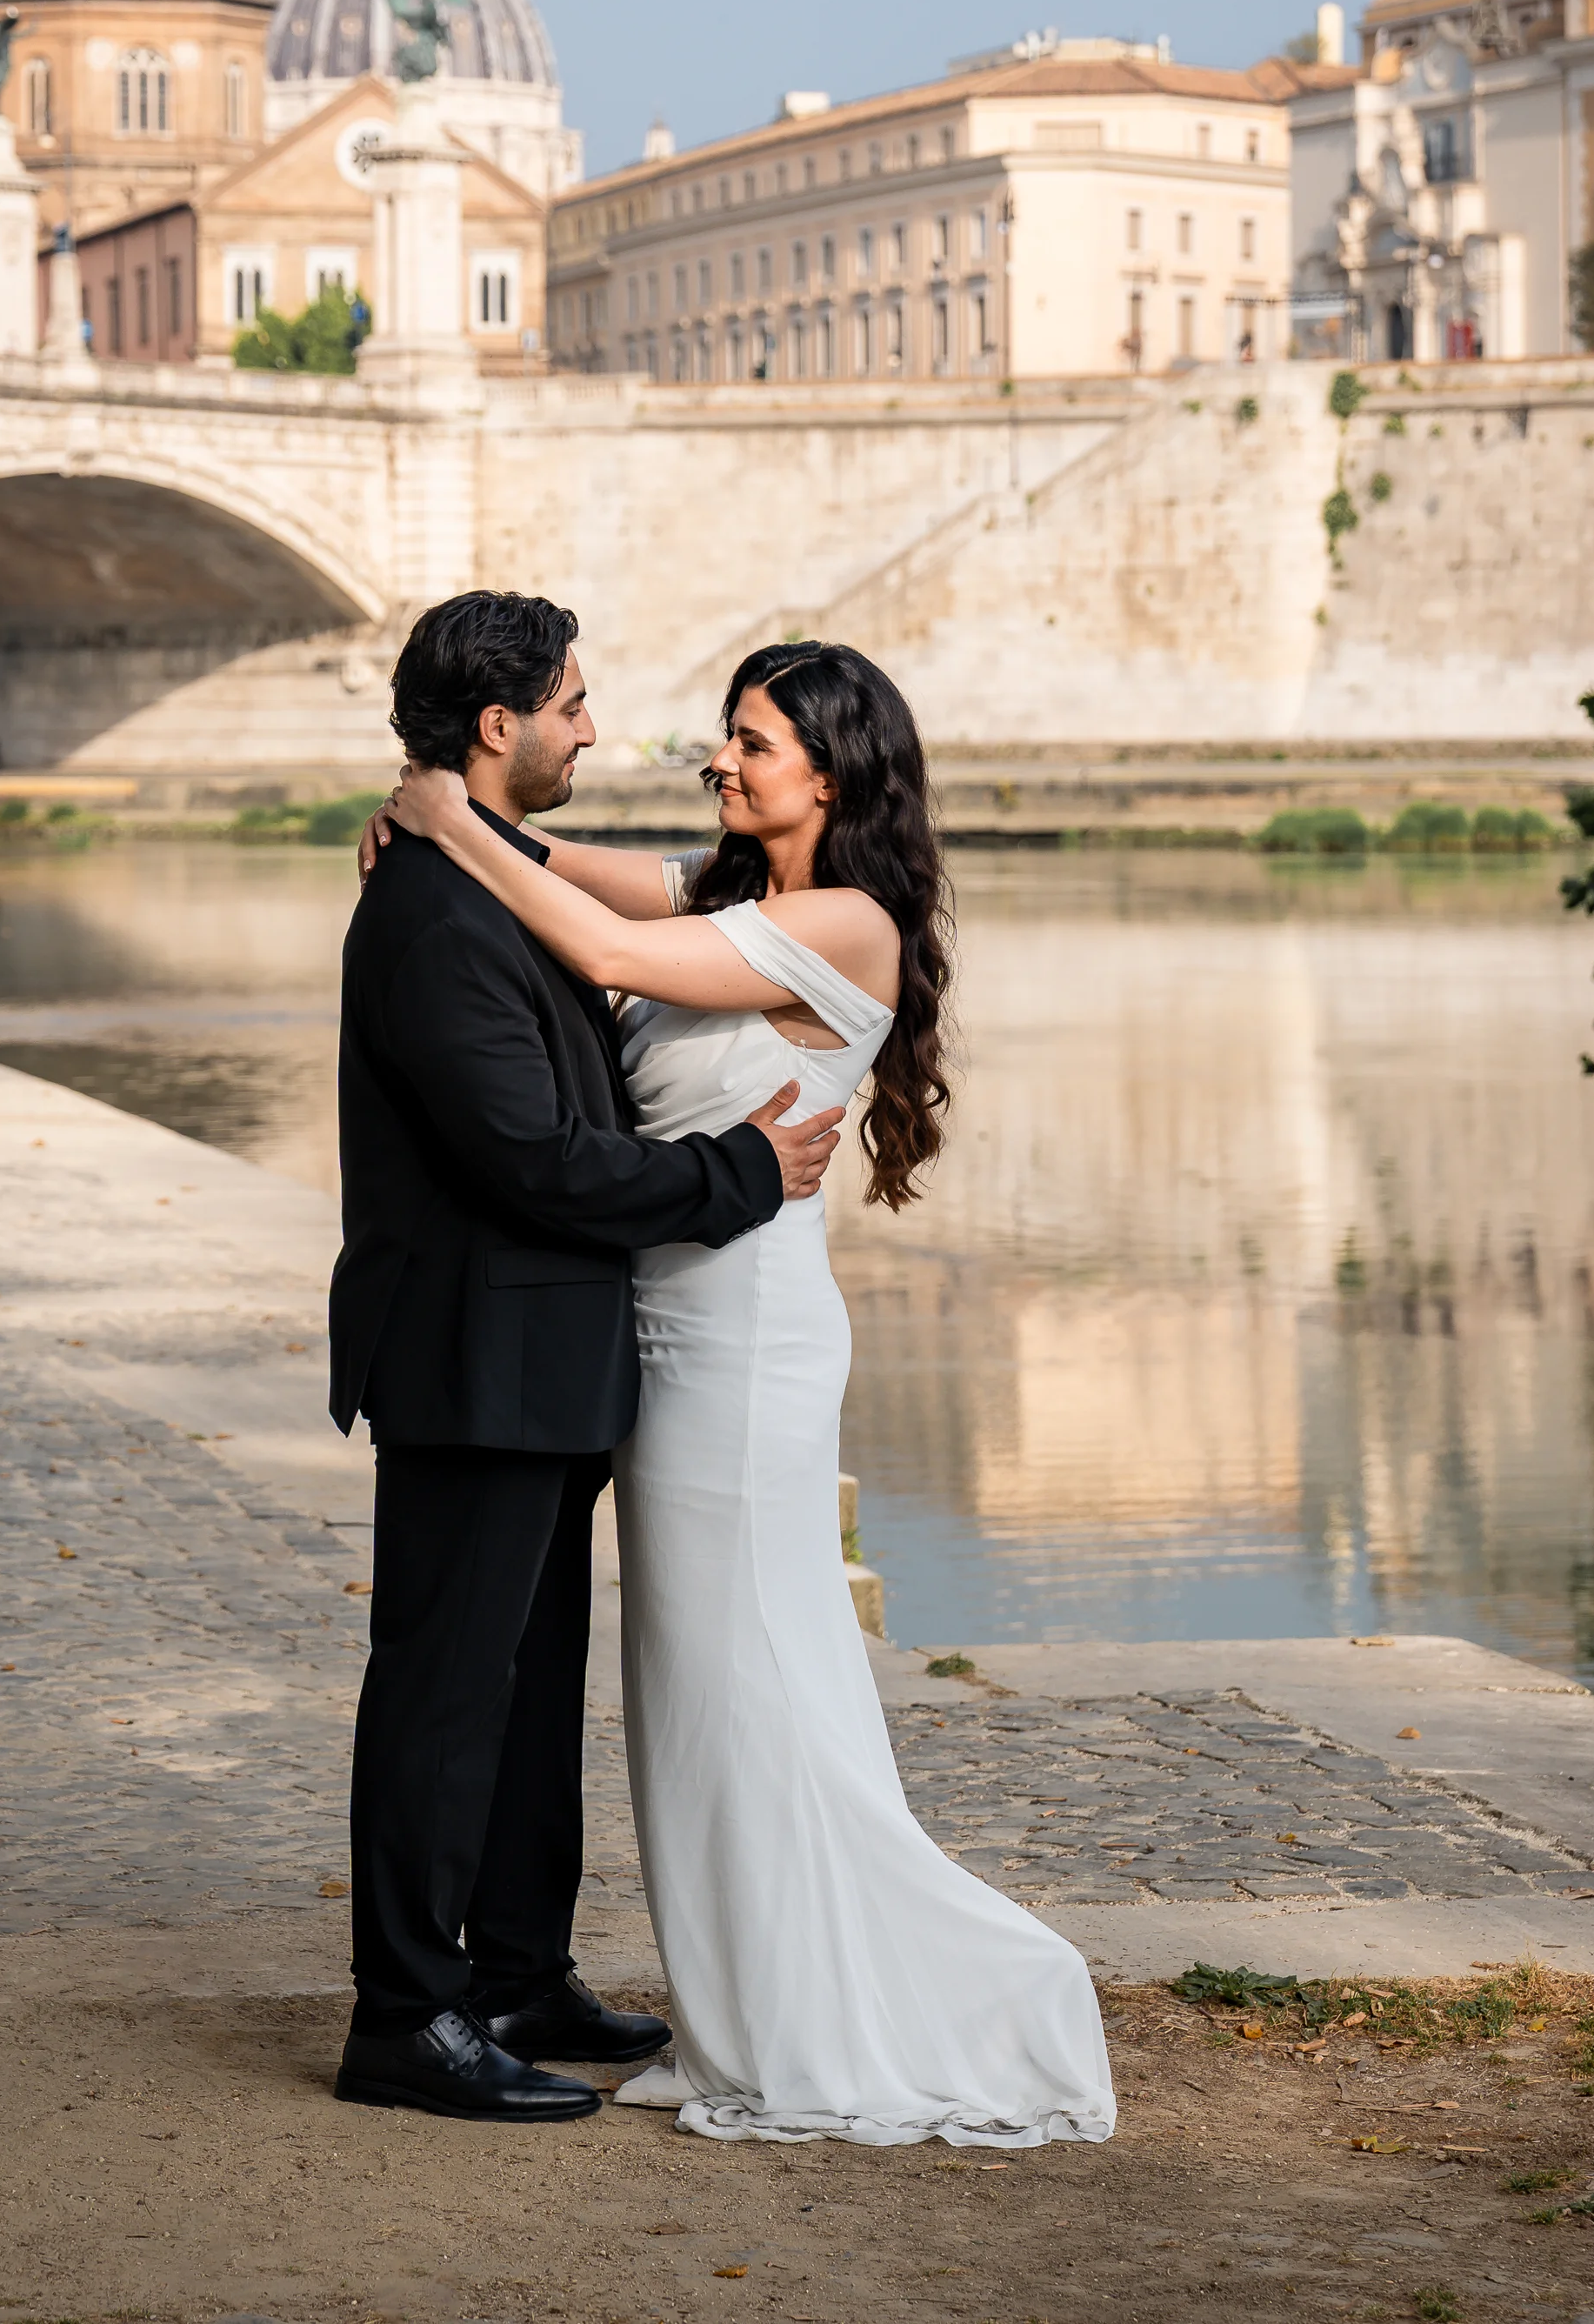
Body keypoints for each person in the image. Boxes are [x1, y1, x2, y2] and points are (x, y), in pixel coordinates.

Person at [377, 637, 1117, 2148]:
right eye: (726, 737)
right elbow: (567, 866)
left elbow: (602, 955)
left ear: (834, 775)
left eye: (755, 744)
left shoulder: (845, 921)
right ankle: (742, 1994)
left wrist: (451, 825)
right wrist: (444, 813)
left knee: (760, 1668)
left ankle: (864, 1994)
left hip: (747, 1342)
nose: (722, 761)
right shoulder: (736, 895)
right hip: (660, 1342)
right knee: (691, 1691)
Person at [330, 591, 846, 2125]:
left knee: (532, 1685)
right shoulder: (431, 916)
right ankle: (405, 2017)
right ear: (499, 726)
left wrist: (453, 822)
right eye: (570, 704)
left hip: (545, 1360)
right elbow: (537, 1163)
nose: (593, 728)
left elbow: (635, 928)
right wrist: (740, 1176)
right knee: (444, 1689)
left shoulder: (486, 885)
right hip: (475, 1359)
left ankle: (514, 1972)